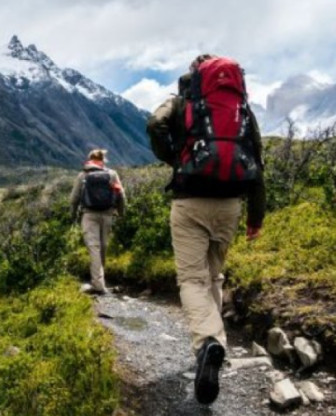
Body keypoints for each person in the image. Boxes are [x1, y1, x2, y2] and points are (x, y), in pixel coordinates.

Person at [147, 54, 265, 405]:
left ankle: (208, 343)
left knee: (192, 280)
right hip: (230, 204)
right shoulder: (240, 108)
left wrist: (174, 158)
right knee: (214, 276)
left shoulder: (183, 101)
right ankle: (213, 343)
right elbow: (257, 159)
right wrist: (255, 217)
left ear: (195, 74)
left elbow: (154, 124)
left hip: (190, 201)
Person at [70, 149, 126, 295]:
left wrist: (73, 216)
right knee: (103, 247)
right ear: (103, 160)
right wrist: (121, 213)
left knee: (94, 248)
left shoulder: (83, 175)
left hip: (89, 215)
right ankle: (100, 281)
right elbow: (121, 195)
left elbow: (74, 199)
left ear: (89, 159)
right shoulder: (112, 174)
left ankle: (98, 285)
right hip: (108, 215)